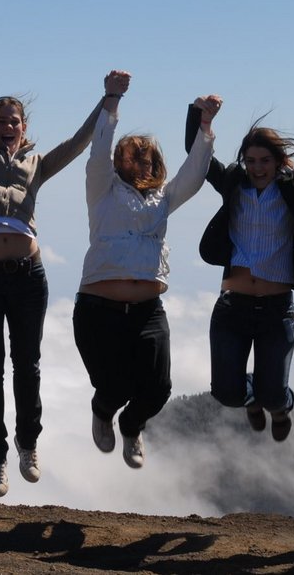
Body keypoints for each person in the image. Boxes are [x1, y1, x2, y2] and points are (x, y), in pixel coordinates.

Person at [0, 65, 107, 498]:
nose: (8, 127)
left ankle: (28, 446)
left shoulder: (37, 163)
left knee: (27, 366)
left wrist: (108, 99)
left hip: (27, 278)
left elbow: (78, 144)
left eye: (14, 121)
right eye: (0, 121)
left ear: (23, 127)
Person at [74, 79, 217, 470]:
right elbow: (98, 149)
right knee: (114, 385)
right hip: (98, 309)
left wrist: (205, 128)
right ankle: (103, 411)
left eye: (149, 158)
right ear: (119, 163)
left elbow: (195, 174)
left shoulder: (163, 199)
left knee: (158, 389)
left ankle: (132, 426)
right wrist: (112, 99)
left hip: (147, 310)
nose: (142, 163)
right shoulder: (102, 189)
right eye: (133, 157)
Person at [185, 108, 294, 441]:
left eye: (264, 161)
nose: (257, 168)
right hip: (232, 307)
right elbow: (196, 154)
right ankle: (252, 400)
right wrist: (202, 116)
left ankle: (279, 406)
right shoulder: (233, 182)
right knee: (227, 394)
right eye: (251, 161)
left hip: (276, 308)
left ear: (278, 161)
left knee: (274, 395)